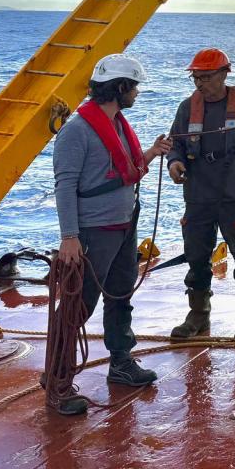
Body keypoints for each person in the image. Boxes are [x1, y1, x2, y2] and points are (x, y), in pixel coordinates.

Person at [50, 53, 172, 415]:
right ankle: (57, 379)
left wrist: (151, 153)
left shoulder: (117, 125)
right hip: (93, 232)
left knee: (120, 294)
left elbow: (122, 171)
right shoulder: (77, 131)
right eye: (133, 86)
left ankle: (121, 362)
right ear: (119, 88)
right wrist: (69, 236)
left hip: (123, 226)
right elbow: (65, 185)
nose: (136, 93)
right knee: (79, 302)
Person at [167, 48, 235, 340]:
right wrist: (175, 162)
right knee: (196, 255)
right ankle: (198, 314)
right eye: (196, 78)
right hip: (198, 196)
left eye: (206, 77)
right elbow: (177, 143)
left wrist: (233, 170)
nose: (200, 83)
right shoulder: (187, 108)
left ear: (224, 74)